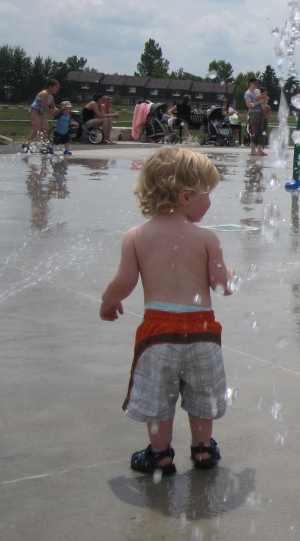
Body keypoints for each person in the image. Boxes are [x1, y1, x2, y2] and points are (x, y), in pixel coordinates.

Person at [99, 146, 234, 475]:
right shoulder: (206, 238)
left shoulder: (137, 237)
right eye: (208, 194)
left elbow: (124, 282)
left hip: (159, 333)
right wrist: (231, 277)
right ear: (186, 196)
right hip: (202, 331)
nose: (211, 201)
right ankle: (203, 450)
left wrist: (108, 301)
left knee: (159, 397)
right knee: (203, 394)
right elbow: (222, 286)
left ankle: (159, 454)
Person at [25, 79, 59, 151]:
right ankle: (26, 144)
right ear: (50, 86)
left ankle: (43, 146)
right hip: (34, 111)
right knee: (36, 130)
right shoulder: (44, 94)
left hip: (40, 113)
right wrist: (52, 113)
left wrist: (56, 110)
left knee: (46, 129)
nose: (57, 89)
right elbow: (44, 106)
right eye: (56, 87)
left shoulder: (51, 97)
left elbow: (53, 106)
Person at [244, 78, 266, 156]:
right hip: (253, 114)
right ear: (250, 83)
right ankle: (253, 149)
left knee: (260, 132)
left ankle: (259, 149)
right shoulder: (248, 93)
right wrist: (259, 102)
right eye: (255, 83)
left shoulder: (256, 92)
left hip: (259, 113)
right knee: (255, 132)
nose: (256, 85)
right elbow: (249, 105)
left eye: (257, 84)